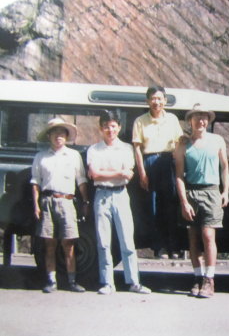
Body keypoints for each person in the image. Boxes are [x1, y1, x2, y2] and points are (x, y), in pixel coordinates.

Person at [87, 110, 151, 295]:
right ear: (101, 128)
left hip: (121, 195)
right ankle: (107, 283)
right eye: (106, 126)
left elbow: (128, 174)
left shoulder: (126, 149)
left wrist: (110, 172)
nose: (110, 129)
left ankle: (134, 282)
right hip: (101, 195)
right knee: (103, 242)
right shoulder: (93, 149)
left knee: (127, 241)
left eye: (113, 126)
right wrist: (117, 173)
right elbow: (95, 174)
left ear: (119, 128)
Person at [174, 103, 229, 298]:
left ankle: (209, 279)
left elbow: (225, 167)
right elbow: (179, 175)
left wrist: (226, 191)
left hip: (212, 191)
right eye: (197, 117)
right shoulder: (183, 144)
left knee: (208, 236)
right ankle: (197, 278)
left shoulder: (217, 140)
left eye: (204, 117)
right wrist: (184, 202)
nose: (201, 120)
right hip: (191, 192)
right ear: (190, 120)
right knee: (194, 238)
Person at [31, 118, 89, 293]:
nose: (59, 136)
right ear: (49, 136)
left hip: (67, 202)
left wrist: (85, 201)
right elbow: (35, 182)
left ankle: (72, 281)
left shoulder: (74, 156)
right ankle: (51, 281)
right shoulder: (40, 157)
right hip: (47, 201)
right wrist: (36, 204)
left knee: (69, 243)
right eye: (55, 132)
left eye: (62, 132)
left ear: (66, 136)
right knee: (49, 244)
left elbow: (81, 180)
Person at [132, 85, 184, 259]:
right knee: (153, 207)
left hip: (168, 161)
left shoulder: (173, 119)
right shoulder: (140, 121)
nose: (156, 102)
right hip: (150, 161)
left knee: (171, 205)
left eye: (159, 99)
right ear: (148, 101)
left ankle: (173, 246)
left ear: (165, 101)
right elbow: (137, 149)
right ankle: (158, 247)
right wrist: (142, 173)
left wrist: (177, 167)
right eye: (153, 99)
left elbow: (178, 145)